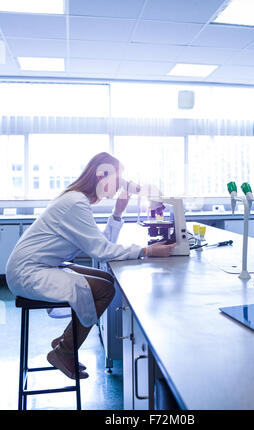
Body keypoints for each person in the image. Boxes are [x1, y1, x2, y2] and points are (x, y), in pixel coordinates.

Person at [6, 152, 175, 379]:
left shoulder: (77, 200)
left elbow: (102, 245)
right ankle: (65, 350)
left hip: (41, 265)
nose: (119, 185)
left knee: (106, 279)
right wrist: (147, 251)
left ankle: (65, 341)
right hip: (28, 272)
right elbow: (101, 251)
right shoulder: (75, 203)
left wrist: (117, 212)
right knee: (106, 290)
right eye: (118, 179)